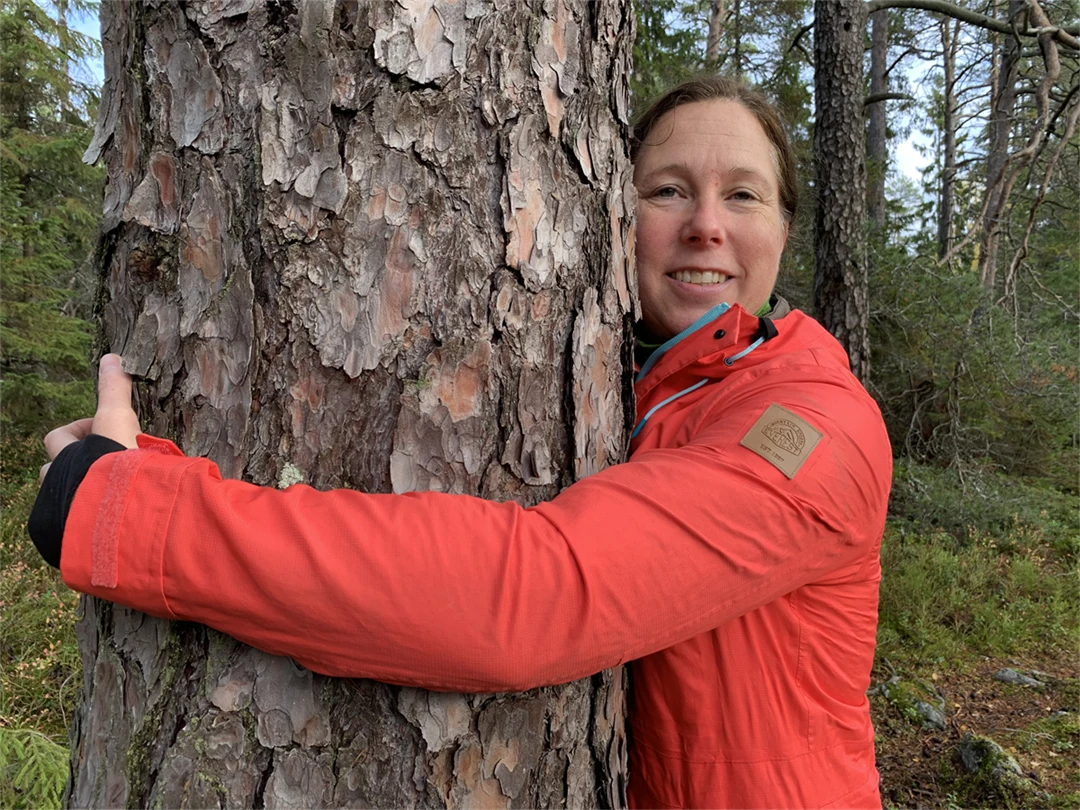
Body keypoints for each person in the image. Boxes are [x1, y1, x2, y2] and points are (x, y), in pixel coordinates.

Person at [30, 75, 892, 809]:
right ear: (609, 216)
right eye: (667, 190)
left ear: (783, 229)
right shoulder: (644, 394)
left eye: (743, 194)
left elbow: (536, 598)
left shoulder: (812, 428)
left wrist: (125, 510)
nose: (706, 224)